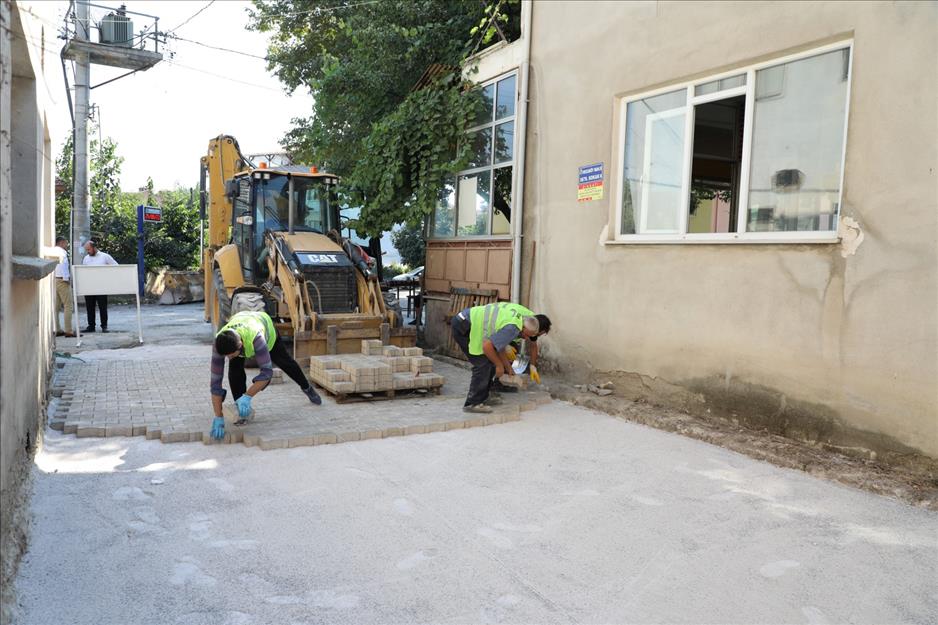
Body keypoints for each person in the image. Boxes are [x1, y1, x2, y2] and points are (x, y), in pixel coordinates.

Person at [209, 310, 322, 440]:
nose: (228, 357)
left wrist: (247, 397)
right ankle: (240, 411)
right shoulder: (219, 344)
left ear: (240, 345)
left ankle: (307, 387)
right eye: (226, 356)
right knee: (235, 371)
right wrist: (218, 416)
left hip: (264, 327)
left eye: (231, 354)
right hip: (241, 324)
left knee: (285, 362)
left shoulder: (257, 337)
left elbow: (267, 373)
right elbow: (215, 383)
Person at [450, 302, 551, 413]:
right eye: (526, 335)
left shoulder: (527, 322)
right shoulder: (513, 328)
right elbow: (487, 346)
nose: (526, 338)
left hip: (472, 322)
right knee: (483, 364)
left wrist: (508, 367)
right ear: (522, 328)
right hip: (465, 325)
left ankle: (484, 396)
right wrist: (499, 366)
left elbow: (499, 346)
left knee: (491, 360)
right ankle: (472, 403)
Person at [501, 313, 552, 387]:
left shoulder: (533, 324)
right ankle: (497, 379)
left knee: (512, 349)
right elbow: (499, 332)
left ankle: (504, 379)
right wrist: (505, 345)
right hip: (495, 332)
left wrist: (532, 366)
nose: (539, 336)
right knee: (499, 354)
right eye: (542, 333)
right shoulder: (524, 322)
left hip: (507, 335)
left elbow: (533, 346)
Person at [81, 240, 117, 333]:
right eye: (86, 250)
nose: (87, 251)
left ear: (94, 247)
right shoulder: (86, 258)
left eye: (88, 249)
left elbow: (116, 267)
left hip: (102, 286)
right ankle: (91, 326)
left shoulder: (105, 256)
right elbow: (83, 272)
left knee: (102, 307)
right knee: (89, 307)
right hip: (89, 286)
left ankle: (104, 326)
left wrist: (108, 278)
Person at [48, 237, 75, 337]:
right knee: (68, 306)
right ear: (62, 242)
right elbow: (63, 266)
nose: (67, 246)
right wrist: (66, 279)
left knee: (56, 306)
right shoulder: (62, 252)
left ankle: (57, 329)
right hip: (62, 280)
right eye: (66, 243)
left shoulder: (52, 251)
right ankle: (69, 330)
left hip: (53, 279)